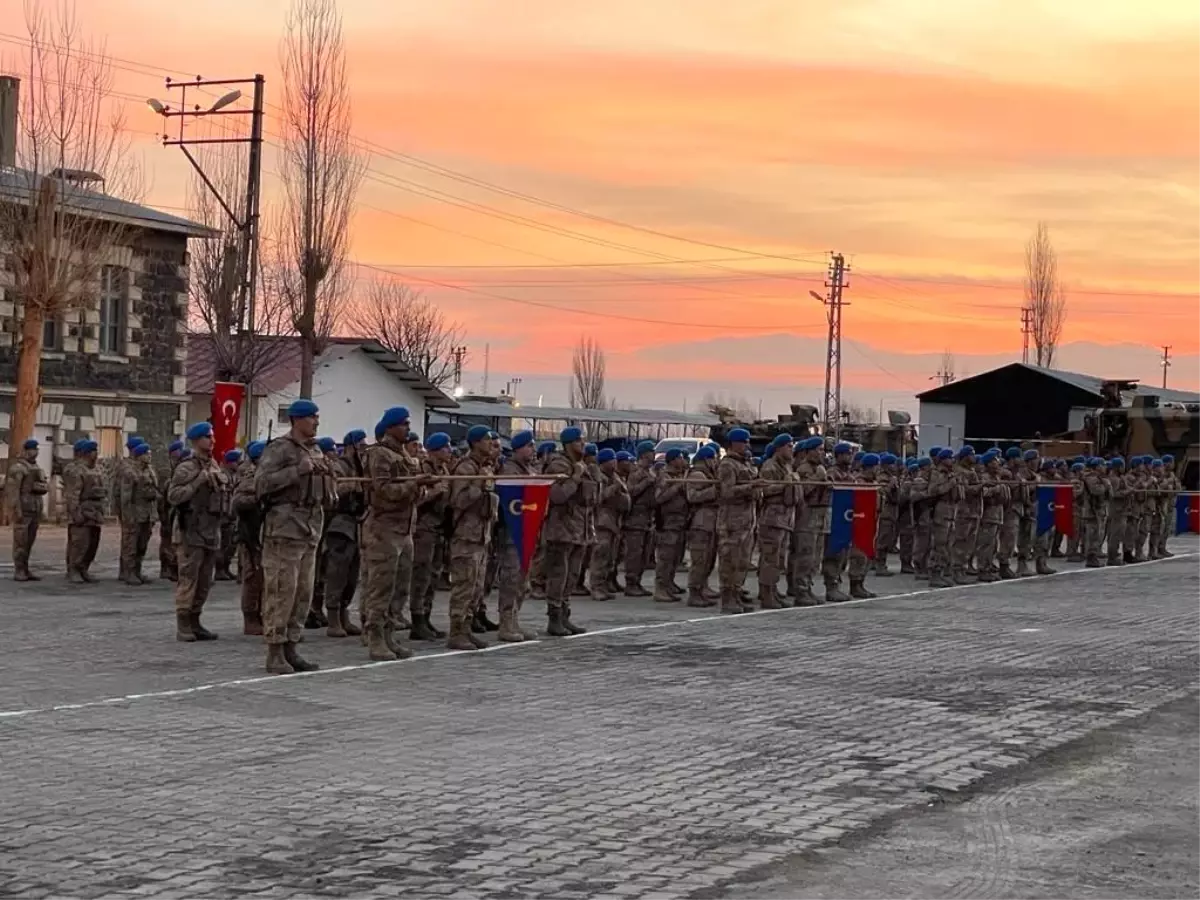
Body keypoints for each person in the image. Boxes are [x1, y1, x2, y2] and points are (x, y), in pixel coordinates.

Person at [255, 400, 332, 674]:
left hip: (310, 527)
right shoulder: (280, 449)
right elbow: (261, 484)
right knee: (281, 591)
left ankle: (292, 647)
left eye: (317, 417)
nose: (316, 422)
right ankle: (274, 651)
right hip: (284, 529)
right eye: (311, 417)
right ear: (296, 420)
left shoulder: (316, 449)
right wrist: (296, 471)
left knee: (303, 593)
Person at [359, 405, 424, 662]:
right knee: (380, 588)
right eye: (403, 424)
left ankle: (389, 635)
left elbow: (410, 491)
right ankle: (375, 637)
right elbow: (383, 490)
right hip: (383, 529)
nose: (408, 428)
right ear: (390, 427)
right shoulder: (380, 455)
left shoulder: (405, 456)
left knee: (399, 588)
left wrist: (421, 487)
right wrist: (414, 484)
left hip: (404, 528)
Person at [168, 423, 229, 641]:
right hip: (190, 531)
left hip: (210, 530)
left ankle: (196, 620)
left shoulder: (214, 464)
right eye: (207, 437)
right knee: (189, 579)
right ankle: (183, 623)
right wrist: (197, 482)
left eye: (212, 437)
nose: (212, 441)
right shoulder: (186, 468)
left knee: (205, 581)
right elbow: (173, 496)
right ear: (196, 441)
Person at [446, 425, 498, 650]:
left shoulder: (484, 467)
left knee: (476, 588)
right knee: (463, 586)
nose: (490, 444)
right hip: (466, 535)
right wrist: (479, 483)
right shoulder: (466, 468)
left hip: (481, 535)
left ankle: (467, 628)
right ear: (475, 442)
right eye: (487, 440)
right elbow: (459, 500)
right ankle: (456, 632)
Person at [542, 426, 592, 636]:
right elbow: (557, 496)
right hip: (560, 528)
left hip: (579, 528)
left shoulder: (580, 464)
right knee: (558, 575)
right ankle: (554, 618)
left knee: (572, 575)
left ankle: (564, 615)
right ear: (569, 444)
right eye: (579, 441)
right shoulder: (558, 465)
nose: (583, 444)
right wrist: (576, 478)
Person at [496, 430, 541, 640]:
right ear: (519, 448)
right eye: (529, 445)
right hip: (513, 529)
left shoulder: (530, 469)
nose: (533, 450)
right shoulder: (509, 470)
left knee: (522, 579)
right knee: (511, 578)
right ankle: (505, 623)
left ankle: (515, 620)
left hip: (527, 529)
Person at [323, 430, 367, 638]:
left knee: (352, 574)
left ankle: (344, 612)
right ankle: (332, 616)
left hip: (357, 522)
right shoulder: (339, 466)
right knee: (337, 572)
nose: (363, 449)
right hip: (340, 523)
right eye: (360, 445)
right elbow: (333, 490)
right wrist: (354, 485)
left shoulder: (361, 467)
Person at [410, 432, 453, 642]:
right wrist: (434, 492)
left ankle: (426, 616)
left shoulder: (443, 470)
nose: (449, 451)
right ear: (436, 450)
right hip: (423, 528)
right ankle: (416, 618)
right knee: (421, 575)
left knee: (434, 575)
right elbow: (414, 500)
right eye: (445, 448)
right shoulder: (423, 469)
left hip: (438, 528)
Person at [716, 428, 759, 614]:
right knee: (729, 560)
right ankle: (727, 598)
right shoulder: (728, 465)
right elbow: (726, 491)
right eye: (744, 441)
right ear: (734, 443)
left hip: (747, 519)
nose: (747, 445)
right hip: (731, 521)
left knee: (742, 561)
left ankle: (737, 593)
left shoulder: (746, 464)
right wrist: (750, 487)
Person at [756, 434, 799, 609]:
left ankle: (772, 590)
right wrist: (784, 484)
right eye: (788, 446)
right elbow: (763, 491)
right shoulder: (770, 467)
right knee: (770, 559)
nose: (791, 449)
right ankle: (766, 595)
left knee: (778, 560)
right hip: (772, 518)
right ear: (779, 448)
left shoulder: (787, 467)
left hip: (784, 518)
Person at [234, 441, 267, 635]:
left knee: (264, 579)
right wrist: (259, 497)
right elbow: (238, 502)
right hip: (250, 533)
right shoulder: (251, 476)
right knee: (252, 578)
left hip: (264, 532)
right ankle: (250, 617)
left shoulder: (266, 475)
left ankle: (261, 614)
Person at [589, 447, 629, 602]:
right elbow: (599, 498)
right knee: (601, 555)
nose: (614, 463)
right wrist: (615, 488)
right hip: (602, 522)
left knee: (611, 557)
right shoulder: (599, 478)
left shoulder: (616, 477)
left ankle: (604, 585)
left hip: (614, 521)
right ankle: (596, 587)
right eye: (611, 460)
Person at [652, 448, 691, 603]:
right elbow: (659, 498)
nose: (683, 461)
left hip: (680, 522)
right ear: (673, 460)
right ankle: (660, 588)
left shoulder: (680, 475)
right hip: (668, 523)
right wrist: (677, 487)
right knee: (666, 558)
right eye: (681, 458)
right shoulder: (665, 477)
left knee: (675, 557)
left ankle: (669, 584)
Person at [6, 438, 47, 581]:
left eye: (36, 449)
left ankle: (26, 568)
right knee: (20, 541)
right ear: (25, 451)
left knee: (29, 541)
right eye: (31, 449)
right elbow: (13, 491)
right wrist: (16, 510)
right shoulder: (18, 468)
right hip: (23, 509)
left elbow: (43, 485)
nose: (34, 452)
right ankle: (19, 570)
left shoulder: (35, 467)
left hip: (34, 508)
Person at [117, 442, 159, 585]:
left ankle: (137, 571)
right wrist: (127, 516)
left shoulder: (149, 470)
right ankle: (128, 572)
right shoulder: (130, 472)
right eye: (146, 454)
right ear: (139, 455)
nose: (149, 456)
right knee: (131, 544)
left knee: (142, 544)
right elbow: (126, 497)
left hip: (147, 513)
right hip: (135, 513)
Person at [64, 439, 105, 583]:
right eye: (93, 451)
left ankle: (84, 568)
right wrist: (76, 514)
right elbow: (72, 495)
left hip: (95, 510)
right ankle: (73, 569)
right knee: (79, 542)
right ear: (85, 453)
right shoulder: (75, 470)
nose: (96, 454)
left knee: (93, 543)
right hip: (82, 510)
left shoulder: (96, 469)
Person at [622, 441, 657, 596]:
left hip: (648, 518)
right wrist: (645, 483)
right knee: (634, 553)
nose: (654, 454)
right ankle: (631, 583)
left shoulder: (651, 472)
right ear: (644, 454)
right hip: (636, 519)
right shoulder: (636, 473)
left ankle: (638, 582)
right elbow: (630, 492)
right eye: (651, 452)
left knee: (644, 554)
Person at [214, 449, 242, 582]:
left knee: (231, 543)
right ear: (230, 463)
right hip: (224, 514)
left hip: (232, 513)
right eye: (236, 462)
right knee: (223, 543)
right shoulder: (222, 475)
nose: (239, 464)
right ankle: (219, 569)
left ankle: (225, 567)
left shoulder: (235, 475)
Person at [159, 440, 184, 581]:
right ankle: (166, 568)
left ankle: (172, 567)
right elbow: (163, 495)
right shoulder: (166, 472)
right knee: (167, 542)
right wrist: (163, 515)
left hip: (175, 510)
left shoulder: (179, 468)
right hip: (167, 510)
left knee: (174, 542)